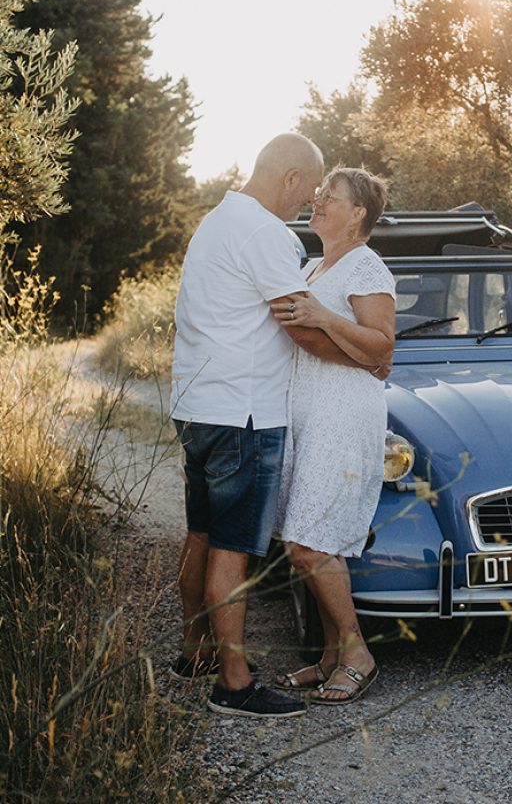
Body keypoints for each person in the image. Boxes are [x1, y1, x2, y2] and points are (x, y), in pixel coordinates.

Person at [169, 134, 371, 719]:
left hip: (199, 406)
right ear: (287, 179)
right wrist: (367, 360)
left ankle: (195, 651)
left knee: (202, 533)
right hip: (244, 414)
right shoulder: (265, 234)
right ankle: (234, 684)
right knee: (232, 551)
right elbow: (301, 328)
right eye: (306, 189)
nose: (306, 202)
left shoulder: (216, 221)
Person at [270, 167, 395, 705]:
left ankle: (357, 653)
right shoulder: (313, 263)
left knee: (308, 542)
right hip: (309, 414)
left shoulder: (367, 266)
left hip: (345, 416)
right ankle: (327, 658)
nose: (317, 200)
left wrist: (323, 316)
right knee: (306, 538)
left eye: (330, 196)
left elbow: (382, 349)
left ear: (359, 213)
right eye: (318, 194)